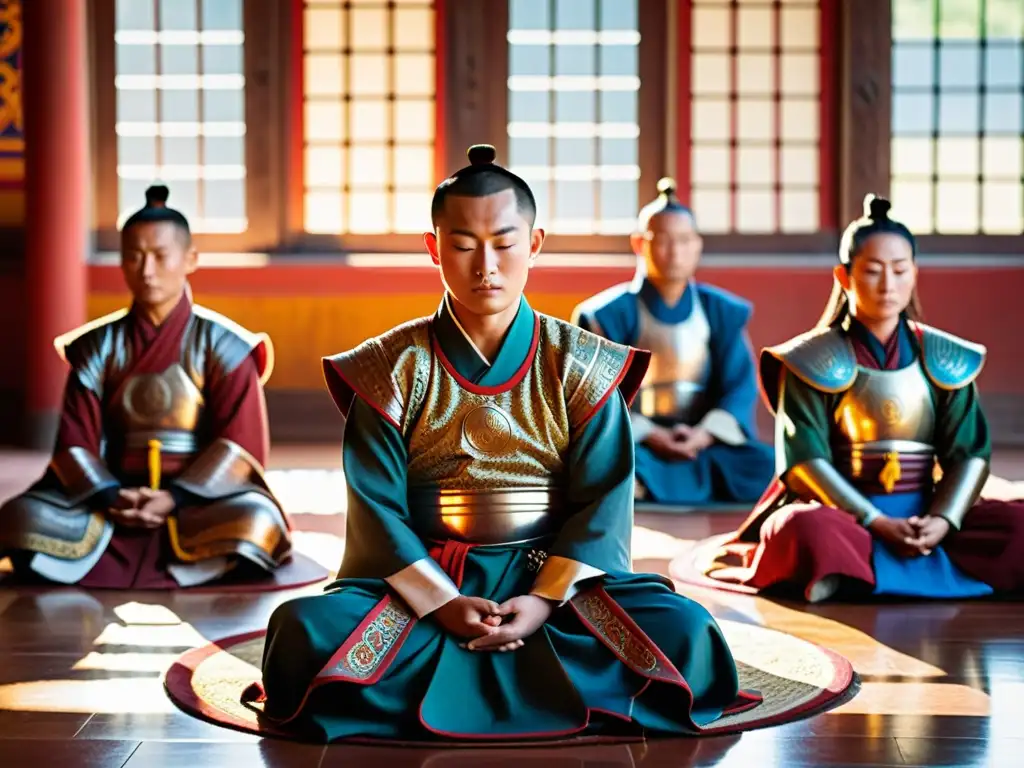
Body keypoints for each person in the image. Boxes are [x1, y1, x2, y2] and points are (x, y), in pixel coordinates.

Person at [248, 146, 760, 741]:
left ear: (535, 243)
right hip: (428, 568)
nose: (485, 265)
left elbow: (602, 500)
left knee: (687, 631)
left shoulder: (581, 362)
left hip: (553, 572)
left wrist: (543, 600)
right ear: (434, 248)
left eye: (505, 243)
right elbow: (375, 508)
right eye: (463, 245)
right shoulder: (390, 366)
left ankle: (456, 671)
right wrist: (441, 601)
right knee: (301, 629)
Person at [691, 195, 1024, 603]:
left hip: (925, 510)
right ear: (844, 276)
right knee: (800, 527)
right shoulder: (811, 359)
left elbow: (969, 453)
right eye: (873, 271)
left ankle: (849, 575)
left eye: (900, 270)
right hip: (844, 515)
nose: (888, 284)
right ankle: (849, 563)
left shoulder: (945, 358)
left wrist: (943, 519)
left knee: (1017, 522)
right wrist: (875, 520)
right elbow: (803, 462)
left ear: (914, 273)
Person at [0, 186, 292, 588]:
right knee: (21, 518)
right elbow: (74, 443)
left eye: (159, 256)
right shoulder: (96, 346)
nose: (146, 270)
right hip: (110, 497)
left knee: (256, 523)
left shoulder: (225, 345)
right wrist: (111, 495)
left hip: (199, 502)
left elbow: (239, 446)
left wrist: (175, 497)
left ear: (190, 259)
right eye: (134, 257)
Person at [571, 179, 773, 506]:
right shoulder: (606, 314)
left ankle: (648, 485)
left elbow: (739, 386)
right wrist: (651, 433)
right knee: (597, 464)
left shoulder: (719, 311)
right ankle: (643, 480)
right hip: (636, 441)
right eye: (662, 240)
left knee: (768, 467)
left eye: (683, 240)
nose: (674, 252)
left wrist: (704, 435)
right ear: (639, 244)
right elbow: (593, 395)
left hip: (703, 442)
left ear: (697, 245)